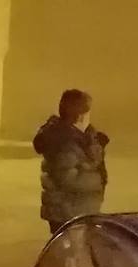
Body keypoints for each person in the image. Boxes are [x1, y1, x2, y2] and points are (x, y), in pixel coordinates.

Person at [34, 89, 109, 234]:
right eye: (88, 113)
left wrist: (97, 147)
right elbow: (68, 179)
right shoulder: (64, 143)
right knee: (72, 253)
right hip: (67, 212)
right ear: (80, 116)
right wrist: (98, 179)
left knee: (78, 252)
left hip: (77, 210)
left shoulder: (81, 137)